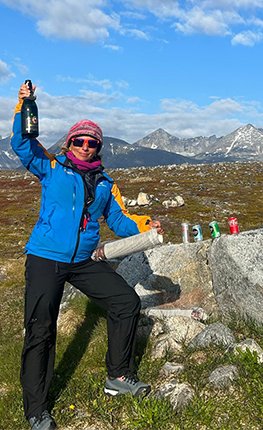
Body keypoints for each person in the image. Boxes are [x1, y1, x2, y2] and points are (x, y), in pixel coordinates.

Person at [12, 82, 163, 430]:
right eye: (79, 140)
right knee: (41, 329)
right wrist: (25, 105)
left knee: (125, 301)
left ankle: (119, 377)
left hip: (84, 261)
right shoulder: (50, 167)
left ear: (98, 148)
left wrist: (146, 226)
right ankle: (37, 409)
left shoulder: (106, 183)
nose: (85, 146)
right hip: (46, 257)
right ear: (69, 143)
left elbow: (119, 220)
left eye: (92, 142)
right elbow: (22, 144)